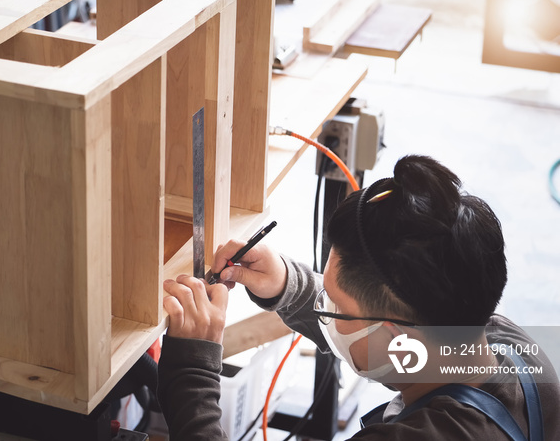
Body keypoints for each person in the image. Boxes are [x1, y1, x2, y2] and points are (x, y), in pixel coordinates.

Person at [156, 155, 560, 440]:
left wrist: (192, 370)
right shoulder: (502, 343)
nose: (325, 311)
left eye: (334, 306)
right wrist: (287, 285)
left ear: (402, 343)